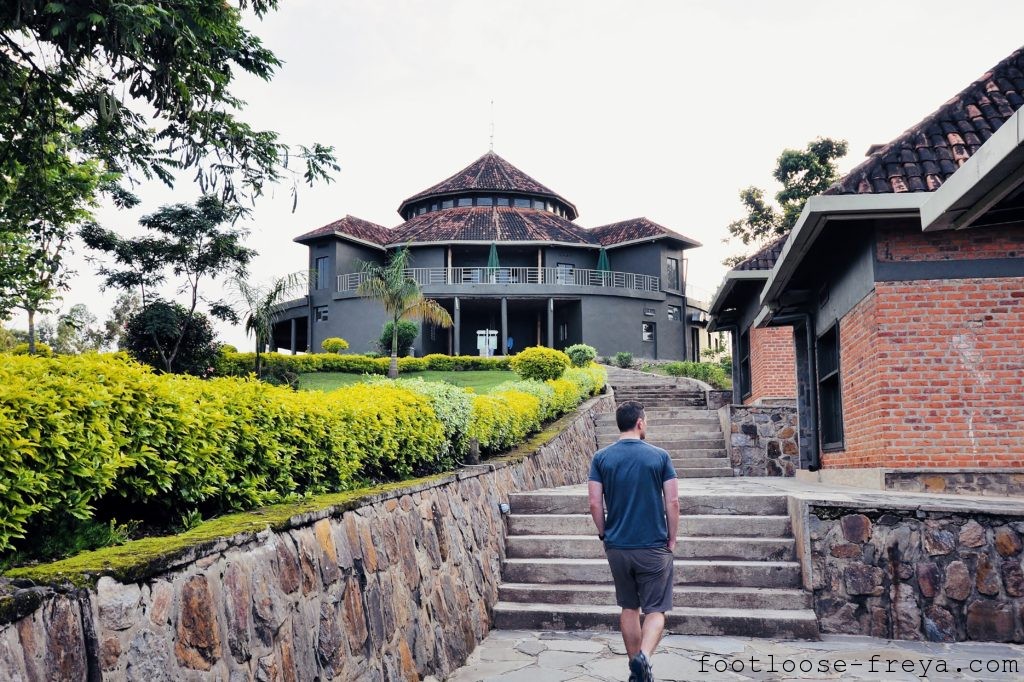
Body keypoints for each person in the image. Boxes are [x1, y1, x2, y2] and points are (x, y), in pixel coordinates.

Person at [588, 400, 679, 682]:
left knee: (629, 607)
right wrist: (672, 538)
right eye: (646, 420)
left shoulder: (601, 458)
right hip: (653, 545)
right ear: (640, 422)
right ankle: (645, 658)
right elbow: (673, 502)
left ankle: (635, 669)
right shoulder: (660, 456)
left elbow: (594, 503)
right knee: (655, 609)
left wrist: (604, 534)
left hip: (618, 547)